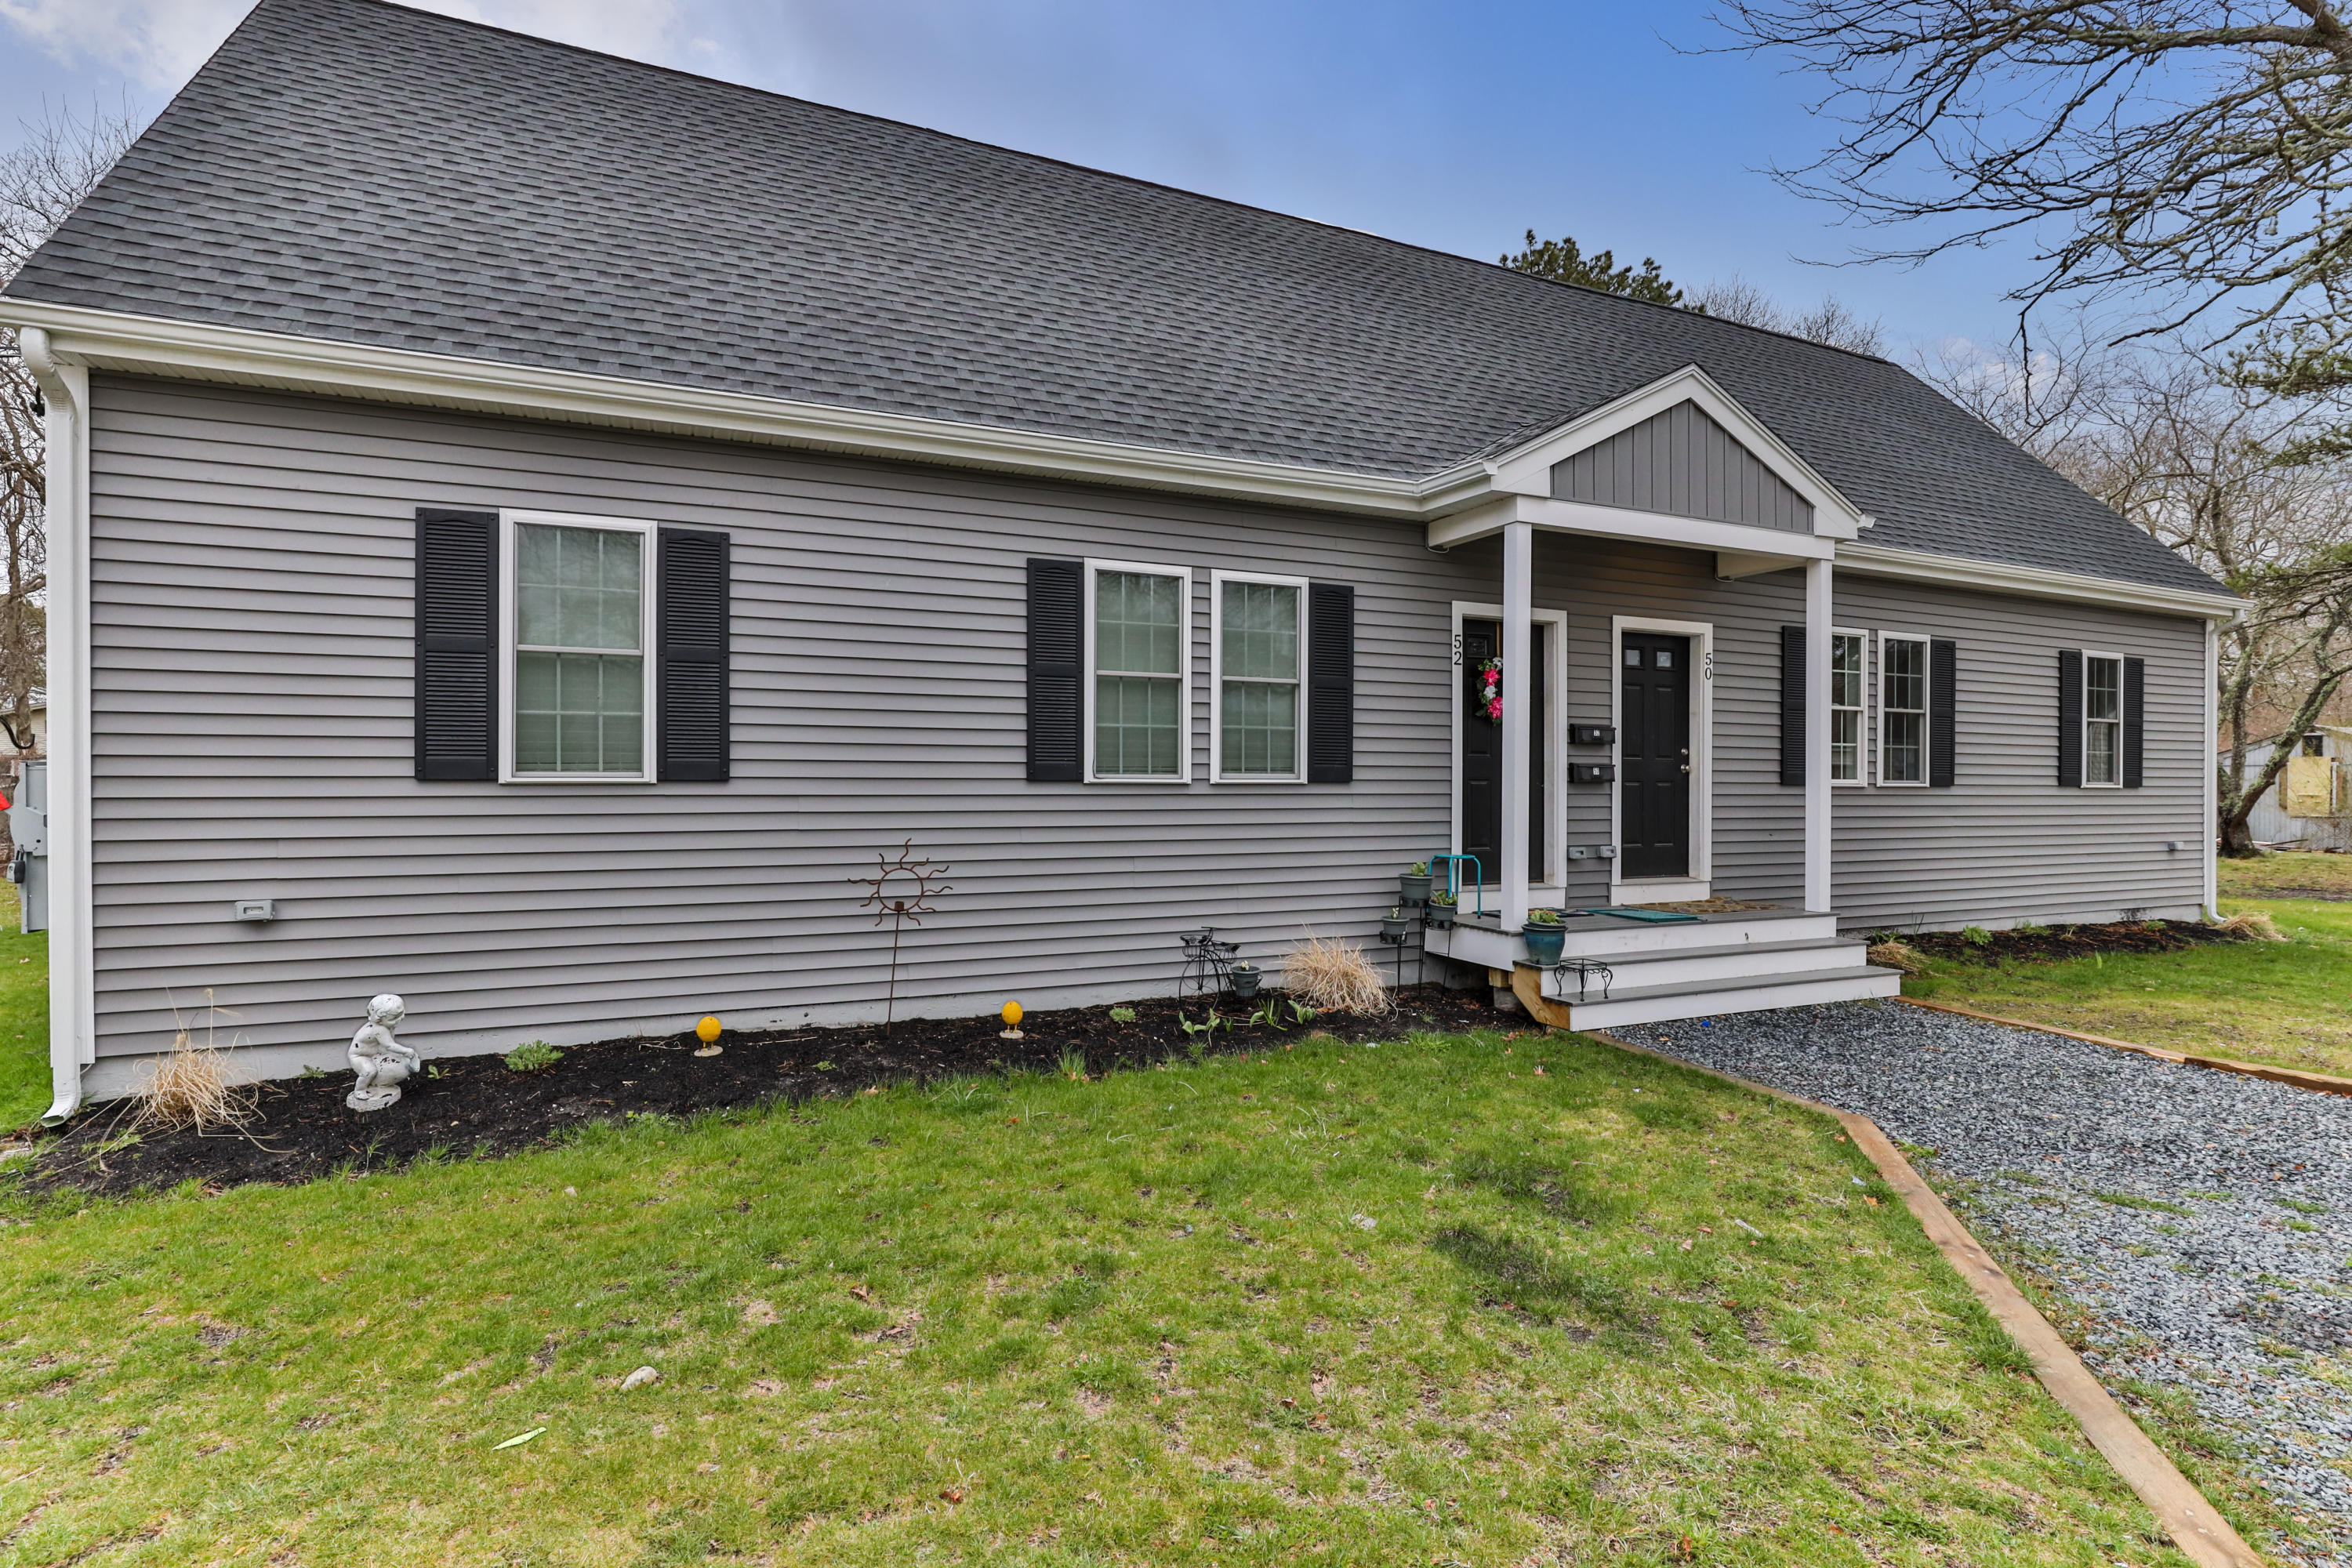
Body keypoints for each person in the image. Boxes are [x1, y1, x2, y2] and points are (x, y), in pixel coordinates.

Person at [346, 993, 418, 1112]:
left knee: (392, 1061)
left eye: (402, 1014)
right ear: (379, 1019)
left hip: (374, 1053)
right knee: (369, 1071)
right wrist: (406, 1051)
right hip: (359, 1056)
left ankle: (380, 1085)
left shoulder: (387, 1026)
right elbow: (390, 1045)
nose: (400, 1019)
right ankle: (360, 1090)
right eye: (394, 1018)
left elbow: (389, 1043)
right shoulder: (379, 1029)